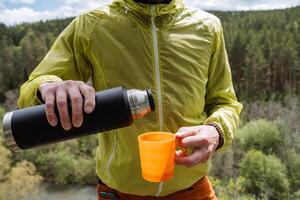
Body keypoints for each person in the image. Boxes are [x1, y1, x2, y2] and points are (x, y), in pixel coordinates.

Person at [18, 0, 243, 199]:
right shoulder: (92, 24)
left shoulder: (207, 27)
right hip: (119, 193)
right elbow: (34, 86)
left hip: (193, 190)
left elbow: (224, 101)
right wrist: (48, 87)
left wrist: (216, 131)